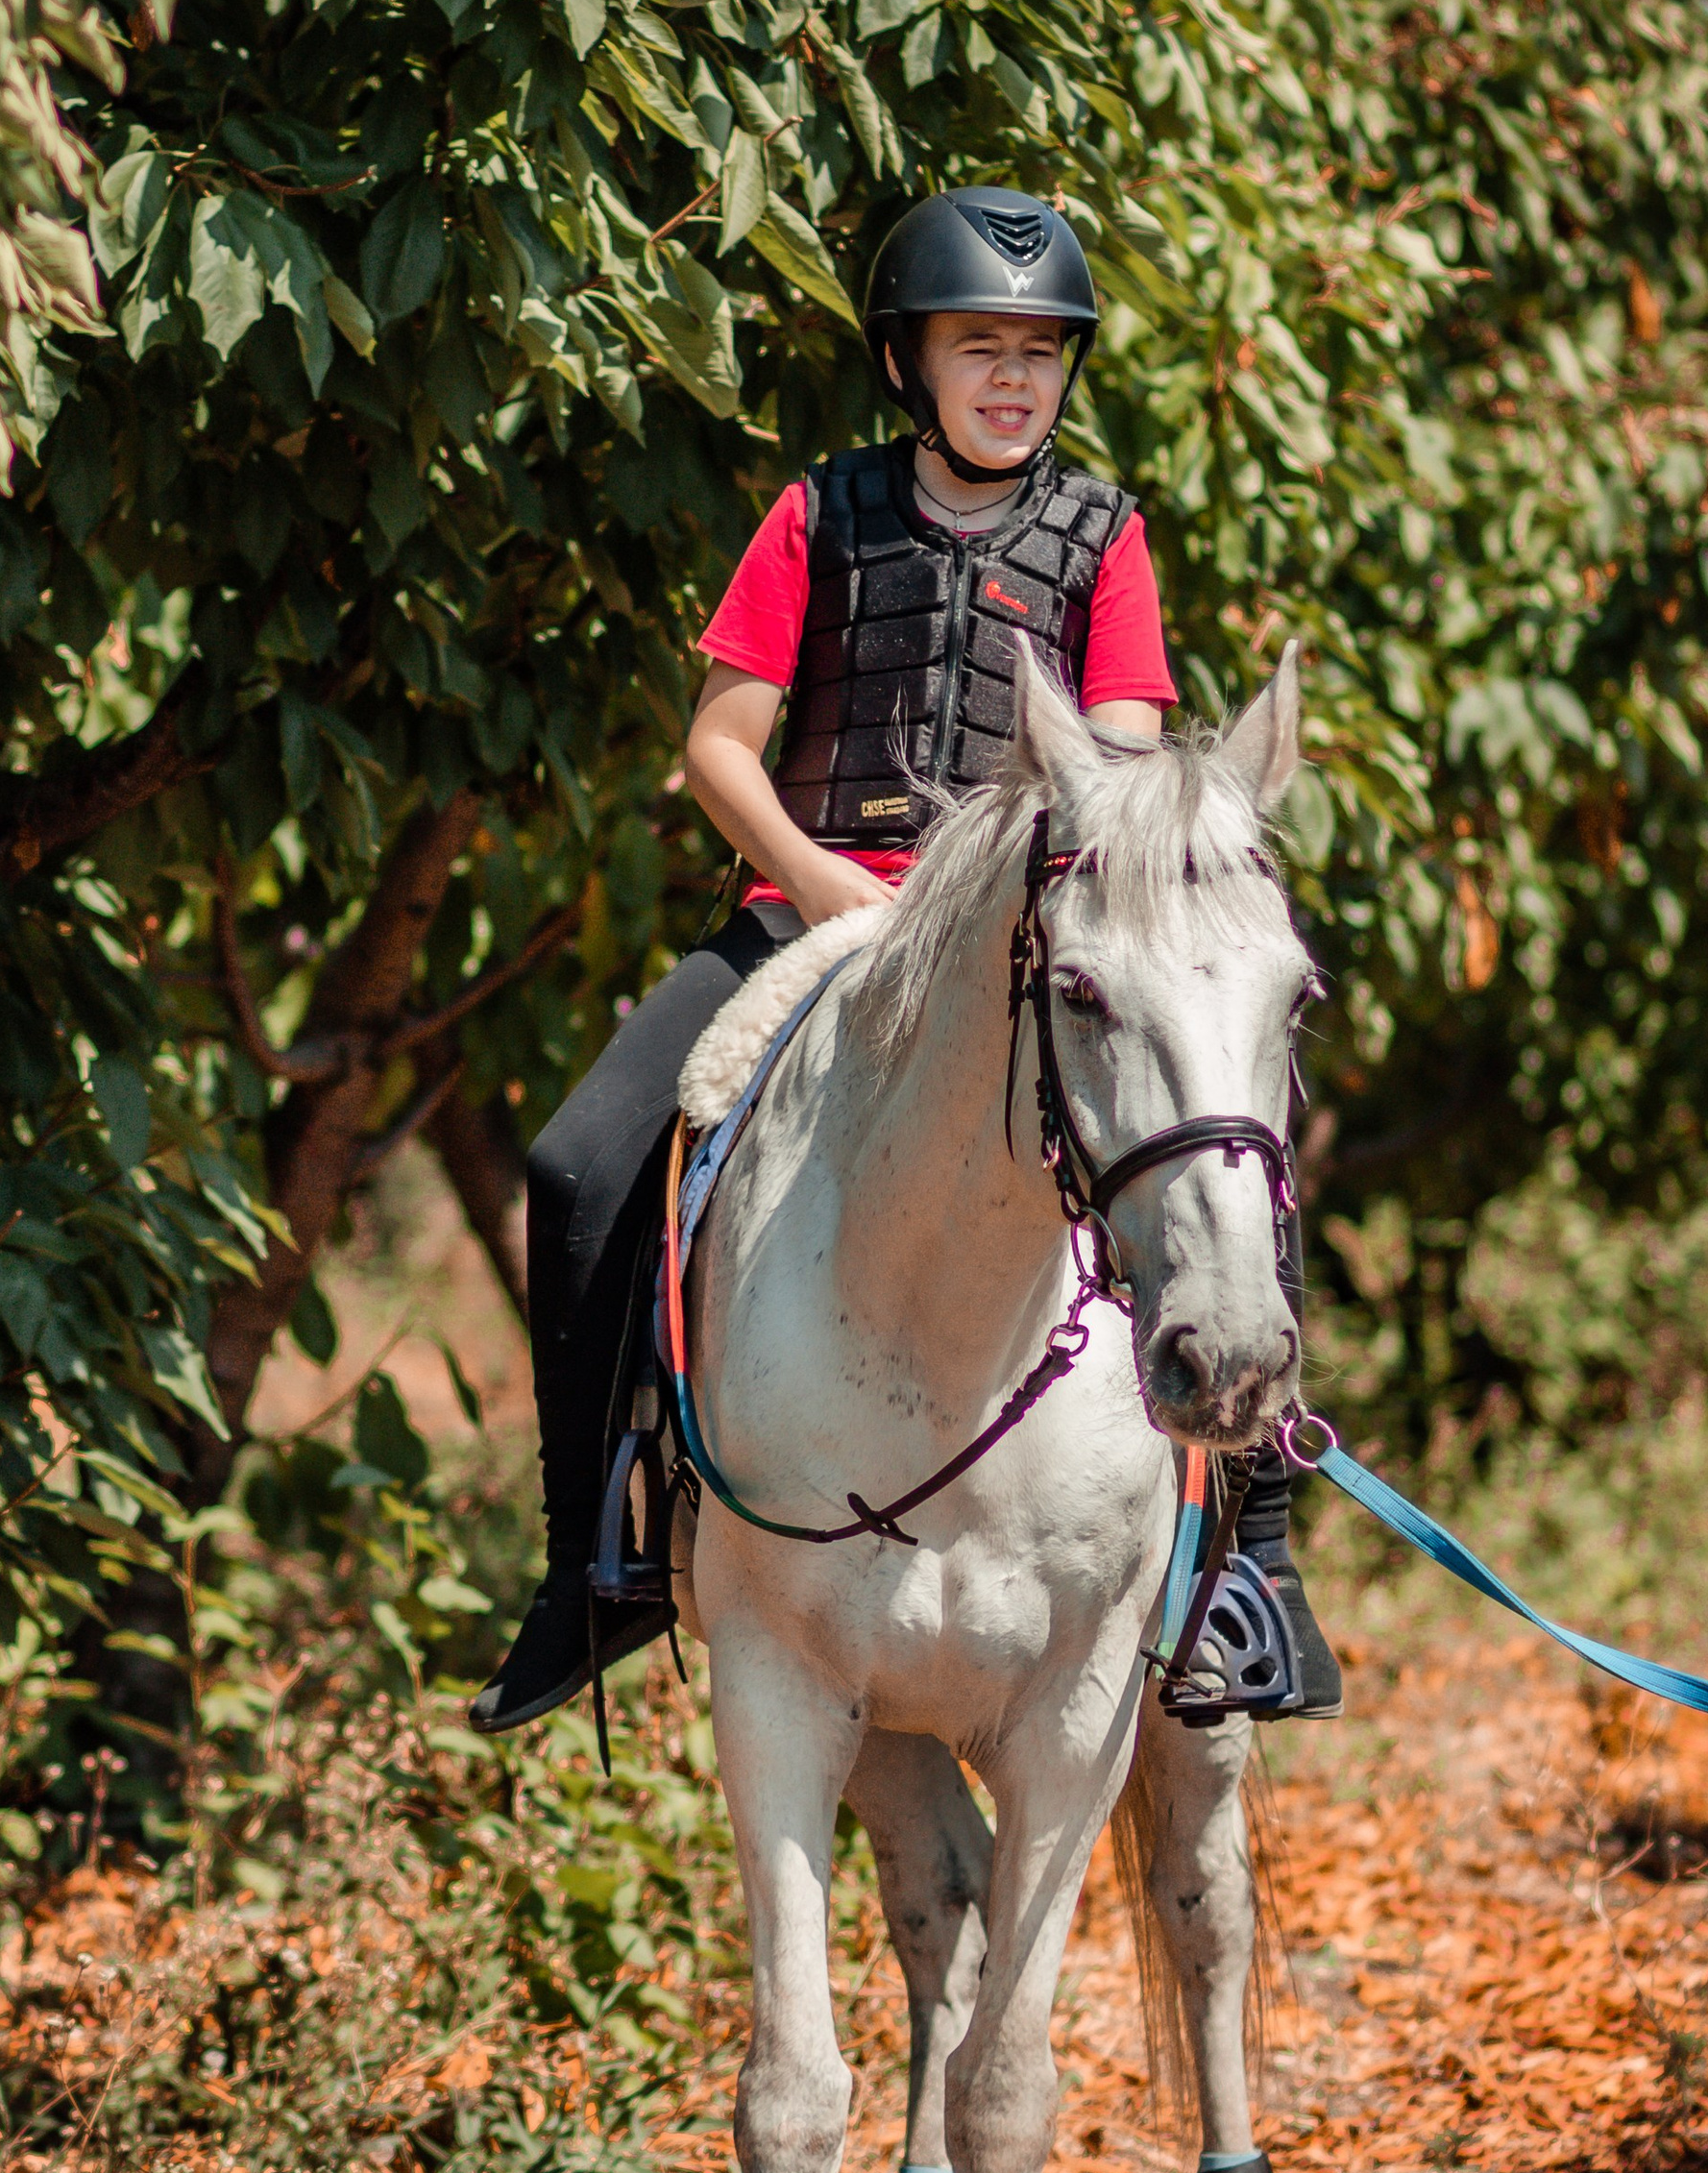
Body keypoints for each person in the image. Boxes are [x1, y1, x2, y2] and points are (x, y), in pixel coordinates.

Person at [471, 187, 1342, 1735]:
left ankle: (1252, 1576)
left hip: (1020, 932)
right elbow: (717, 747)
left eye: (1039, 353)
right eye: (977, 348)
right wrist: (817, 889)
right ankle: (591, 1563)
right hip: (802, 921)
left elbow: (1118, 769)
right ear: (908, 363)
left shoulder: (1106, 535)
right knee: (580, 1166)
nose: (1012, 378)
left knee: (1216, 1133)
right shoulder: (818, 515)